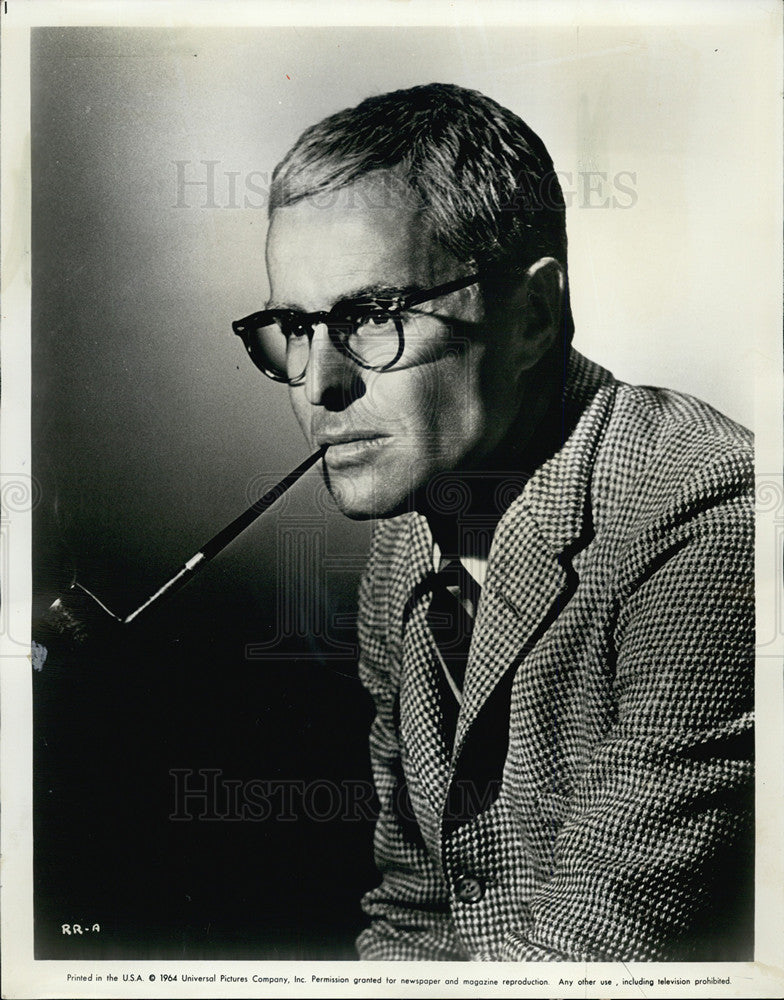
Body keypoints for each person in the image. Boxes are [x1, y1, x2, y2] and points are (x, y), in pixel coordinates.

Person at [232, 83, 754, 961]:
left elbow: (594, 954)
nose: (319, 386)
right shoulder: (409, 544)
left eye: (369, 316)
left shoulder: (708, 517)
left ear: (533, 316)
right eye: (295, 326)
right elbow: (416, 916)